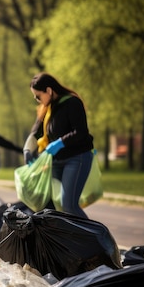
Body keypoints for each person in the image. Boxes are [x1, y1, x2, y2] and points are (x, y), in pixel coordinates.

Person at [25, 72, 94, 218]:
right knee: (50, 204)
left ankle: (93, 238)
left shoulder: (72, 103)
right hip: (56, 161)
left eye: (38, 96)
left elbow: (81, 132)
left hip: (76, 158)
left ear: (49, 90)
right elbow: (35, 132)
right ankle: (65, 239)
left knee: (69, 205)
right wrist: (27, 149)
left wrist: (59, 143)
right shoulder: (48, 108)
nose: (36, 99)